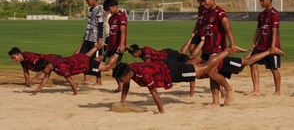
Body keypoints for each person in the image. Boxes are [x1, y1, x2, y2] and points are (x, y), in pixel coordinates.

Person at [112, 47, 284, 113]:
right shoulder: (131, 69)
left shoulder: (142, 73)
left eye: (121, 79)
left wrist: (162, 112)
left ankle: (228, 51)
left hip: (174, 70)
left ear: (127, 73)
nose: (123, 82)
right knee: (208, 71)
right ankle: (222, 90)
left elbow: (155, 94)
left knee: (207, 69)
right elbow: (127, 85)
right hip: (174, 66)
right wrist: (123, 101)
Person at [12, 44, 120, 95]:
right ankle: (102, 52)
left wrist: (75, 93)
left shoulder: (59, 67)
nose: (44, 73)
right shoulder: (50, 65)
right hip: (79, 59)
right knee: (92, 60)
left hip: (84, 64)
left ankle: (117, 51)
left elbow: (70, 81)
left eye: (43, 70)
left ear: (48, 67)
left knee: (107, 67)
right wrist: (39, 88)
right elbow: (46, 76)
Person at [196, 0, 237, 105]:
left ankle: (228, 89)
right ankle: (215, 101)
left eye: (205, 1)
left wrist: (232, 44)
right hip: (207, 48)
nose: (203, 3)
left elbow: (228, 29)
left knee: (211, 72)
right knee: (210, 75)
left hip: (217, 49)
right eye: (202, 2)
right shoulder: (205, 12)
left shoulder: (220, 13)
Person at [249, 0, 282, 96]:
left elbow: (274, 30)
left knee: (273, 68)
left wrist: (272, 46)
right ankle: (256, 90)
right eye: (260, 1)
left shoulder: (275, 14)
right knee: (252, 63)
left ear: (269, 0)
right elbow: (258, 29)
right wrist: (254, 42)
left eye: (262, 0)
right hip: (261, 45)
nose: (261, 3)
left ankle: (277, 91)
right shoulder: (261, 14)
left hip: (272, 46)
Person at [76, 0, 104, 85]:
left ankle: (98, 80)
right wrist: (84, 36)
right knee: (83, 57)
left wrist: (100, 39)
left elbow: (100, 25)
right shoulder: (91, 9)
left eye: (87, 0)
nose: (87, 2)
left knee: (96, 60)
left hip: (95, 39)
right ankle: (86, 78)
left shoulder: (99, 10)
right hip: (88, 37)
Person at [103, 0, 128, 92]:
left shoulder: (122, 16)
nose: (109, 11)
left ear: (114, 6)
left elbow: (123, 31)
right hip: (111, 46)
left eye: (109, 9)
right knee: (114, 67)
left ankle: (125, 80)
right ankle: (121, 85)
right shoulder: (111, 18)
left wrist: (122, 45)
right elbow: (111, 33)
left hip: (118, 46)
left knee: (109, 65)